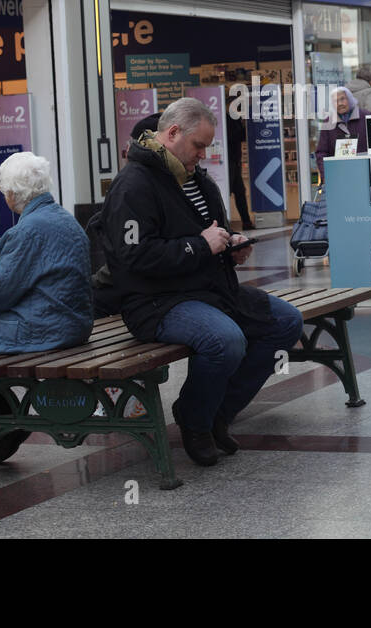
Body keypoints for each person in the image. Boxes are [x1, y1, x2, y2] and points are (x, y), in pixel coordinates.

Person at [97, 97, 303, 467]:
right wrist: (200, 246)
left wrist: (229, 246)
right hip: (156, 301)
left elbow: (211, 234)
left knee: (287, 322)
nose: (202, 156)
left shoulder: (194, 178)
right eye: (199, 146)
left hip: (208, 291)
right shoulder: (133, 185)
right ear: (173, 133)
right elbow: (134, 259)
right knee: (224, 340)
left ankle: (216, 414)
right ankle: (195, 420)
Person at [0, 152, 94, 461]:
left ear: (11, 195)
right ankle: (5, 420)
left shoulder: (26, 230)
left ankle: (1, 425)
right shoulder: (65, 218)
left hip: (48, 326)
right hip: (74, 322)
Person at [314, 85, 368, 180]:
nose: (340, 103)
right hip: (338, 176)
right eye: (335, 101)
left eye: (342, 99)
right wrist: (327, 177)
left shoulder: (365, 117)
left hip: (364, 174)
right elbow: (321, 153)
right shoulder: (328, 122)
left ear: (350, 99)